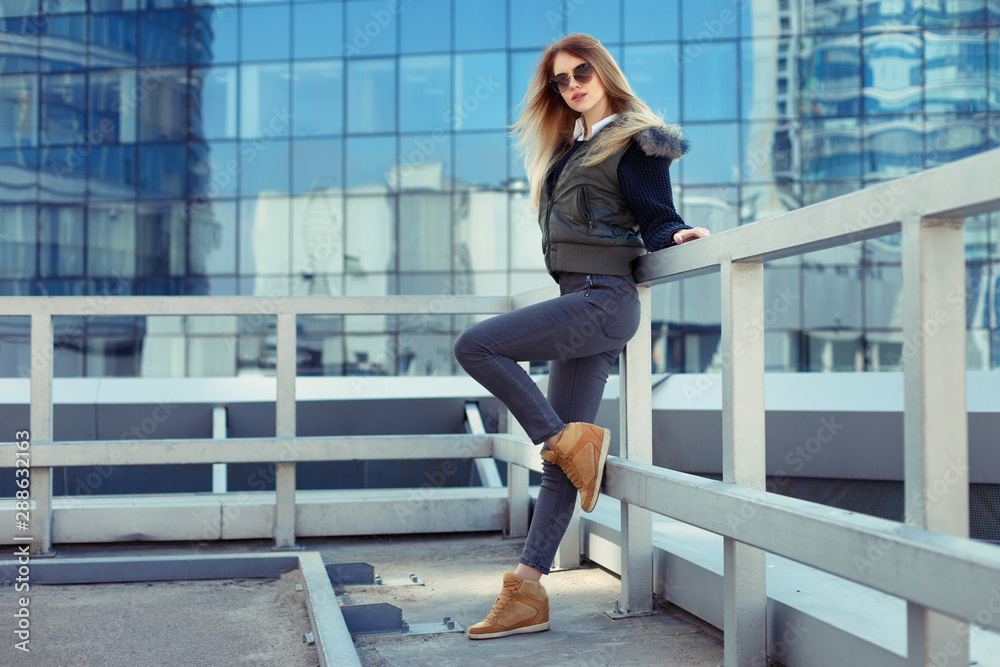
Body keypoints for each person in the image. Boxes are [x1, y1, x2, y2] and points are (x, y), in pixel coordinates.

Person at [453, 33, 710, 640]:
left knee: (476, 346)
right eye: (560, 80)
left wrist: (674, 234)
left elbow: (655, 210)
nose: (572, 84)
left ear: (603, 71)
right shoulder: (570, 152)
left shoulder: (638, 136)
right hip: (581, 302)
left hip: (604, 299)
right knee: (562, 469)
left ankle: (563, 439)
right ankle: (526, 592)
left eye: (581, 71)